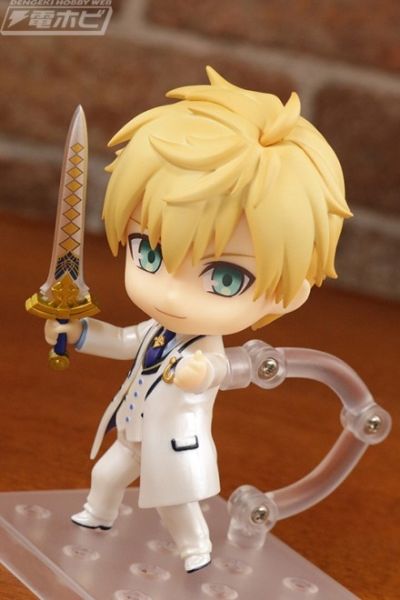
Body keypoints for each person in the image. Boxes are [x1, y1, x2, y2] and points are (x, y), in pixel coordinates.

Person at [45, 66, 351, 572]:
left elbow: (217, 370)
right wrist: (77, 333)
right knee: (105, 476)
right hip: (133, 432)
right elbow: (123, 341)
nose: (169, 292)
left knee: (176, 505)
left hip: (173, 444)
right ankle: (98, 515)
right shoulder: (157, 331)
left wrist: (199, 373)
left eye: (226, 278)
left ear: (287, 296)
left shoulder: (202, 348)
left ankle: (196, 549)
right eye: (148, 252)